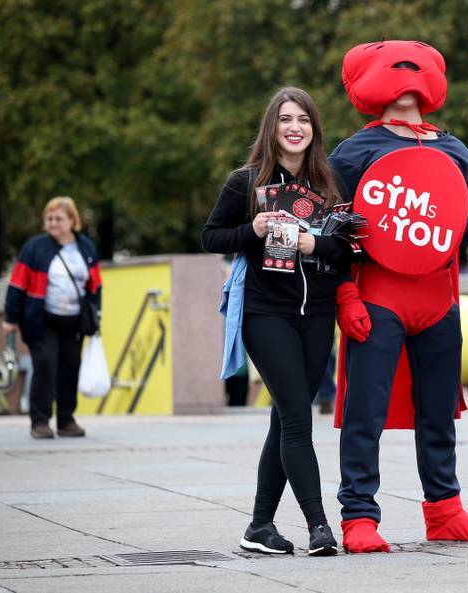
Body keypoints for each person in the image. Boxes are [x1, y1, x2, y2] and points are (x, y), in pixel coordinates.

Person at [328, 40, 468, 553]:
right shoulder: (353, 151)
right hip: (377, 296)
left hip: (439, 299)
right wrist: (345, 294)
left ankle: (445, 511)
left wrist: (445, 229)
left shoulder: (454, 148)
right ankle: (358, 515)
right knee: (365, 409)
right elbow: (330, 227)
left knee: (438, 409)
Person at [202, 87, 352, 557]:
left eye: (304, 119)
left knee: (283, 421)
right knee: (297, 420)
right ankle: (319, 526)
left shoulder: (330, 185)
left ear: (314, 129)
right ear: (272, 127)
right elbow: (211, 236)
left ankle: (259, 526)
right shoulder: (245, 183)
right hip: (267, 314)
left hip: (317, 315)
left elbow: (349, 248)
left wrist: (317, 245)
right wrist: (253, 231)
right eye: (286, 119)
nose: (295, 127)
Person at [3, 197, 102, 439]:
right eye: (49, 218)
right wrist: (10, 318)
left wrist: (96, 315)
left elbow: (96, 285)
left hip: (75, 321)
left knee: (70, 368)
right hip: (41, 319)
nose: (53, 223)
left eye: (59, 218)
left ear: (72, 220)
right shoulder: (35, 247)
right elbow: (17, 283)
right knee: (45, 366)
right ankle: (40, 422)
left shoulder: (85, 246)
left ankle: (66, 420)